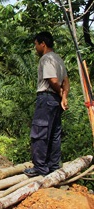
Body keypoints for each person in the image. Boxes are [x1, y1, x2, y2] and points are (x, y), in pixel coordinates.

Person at [23, 31, 70, 177]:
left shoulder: (46, 59)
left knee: (40, 132)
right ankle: (53, 167)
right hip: (56, 100)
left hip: (47, 97)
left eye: (36, 44)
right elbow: (66, 82)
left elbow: (53, 80)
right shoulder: (59, 59)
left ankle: (40, 168)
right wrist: (64, 96)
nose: (35, 48)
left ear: (42, 44)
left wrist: (61, 94)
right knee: (54, 134)